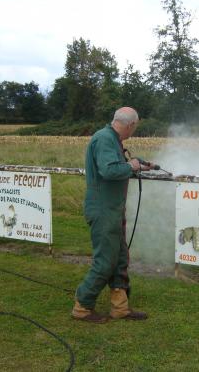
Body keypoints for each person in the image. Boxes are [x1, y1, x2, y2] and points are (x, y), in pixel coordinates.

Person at [72, 107, 151, 323]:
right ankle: (83, 305)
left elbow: (117, 165)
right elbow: (109, 170)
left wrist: (138, 165)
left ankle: (120, 307)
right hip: (103, 209)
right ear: (130, 125)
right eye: (135, 127)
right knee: (105, 261)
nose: (133, 131)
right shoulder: (105, 139)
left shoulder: (111, 138)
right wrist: (131, 166)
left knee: (119, 259)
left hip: (112, 209)